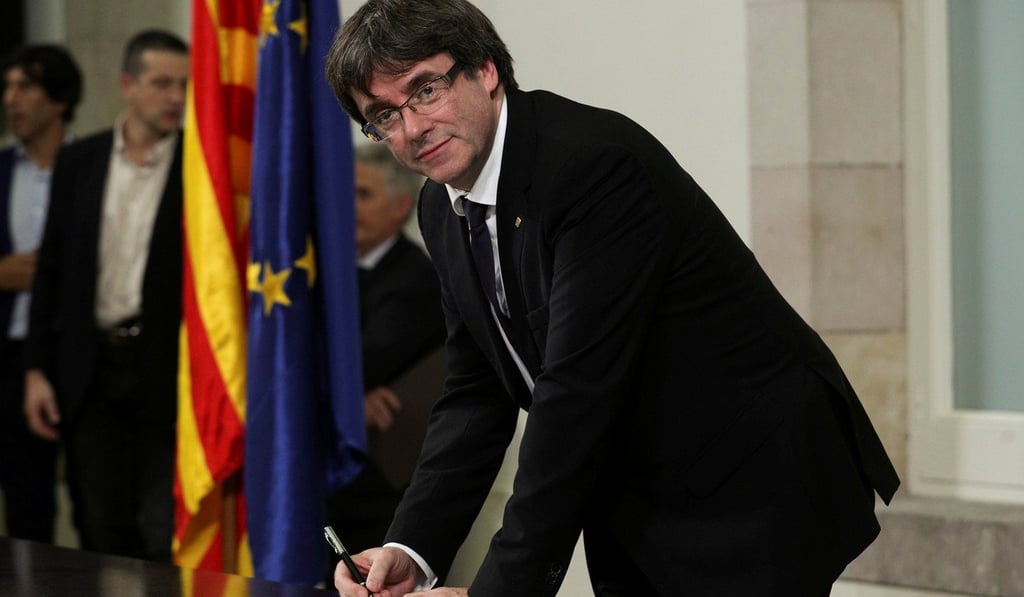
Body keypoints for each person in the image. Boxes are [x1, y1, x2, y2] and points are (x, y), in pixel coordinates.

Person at [325, 1, 901, 595]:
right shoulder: (440, 208)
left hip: (751, 479)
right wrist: (411, 547)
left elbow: (575, 392)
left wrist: (501, 591)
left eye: (425, 90)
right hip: (630, 486)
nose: (413, 128)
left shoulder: (591, 166)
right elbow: (476, 391)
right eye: (384, 115)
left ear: (486, 70)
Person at [23, 30, 188, 562]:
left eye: (184, 85)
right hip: (88, 366)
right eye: (162, 83)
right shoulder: (82, 161)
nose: (176, 98)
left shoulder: (200, 167)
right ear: (127, 85)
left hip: (167, 367)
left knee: (162, 522)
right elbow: (50, 271)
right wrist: (36, 370)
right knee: (98, 520)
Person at [324, 142, 445, 563]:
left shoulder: (415, 278)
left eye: (363, 195)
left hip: (382, 477)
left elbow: (361, 361)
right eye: (345, 193)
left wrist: (346, 390)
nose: (348, 206)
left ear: (400, 207)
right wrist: (350, 399)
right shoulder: (329, 267)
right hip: (331, 468)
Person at [0, 44, 82, 544]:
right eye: (7, 87)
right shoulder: (3, 170)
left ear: (57, 99)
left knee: (95, 496)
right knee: (25, 499)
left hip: (73, 349)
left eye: (24, 86)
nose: (11, 99)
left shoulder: (90, 164)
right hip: (8, 353)